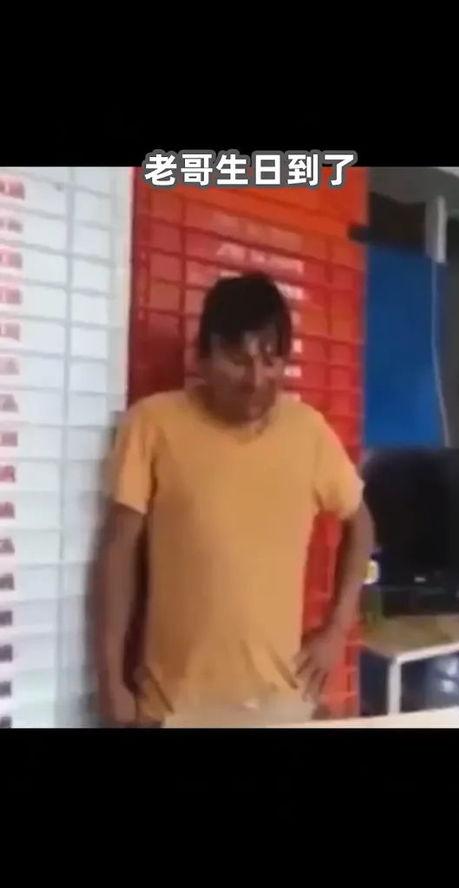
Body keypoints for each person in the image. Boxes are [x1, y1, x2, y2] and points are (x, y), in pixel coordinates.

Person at [95, 272, 373, 727]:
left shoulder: (308, 432)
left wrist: (337, 628)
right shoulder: (152, 424)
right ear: (202, 358)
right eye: (237, 359)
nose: (256, 378)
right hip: (174, 709)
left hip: (281, 707)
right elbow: (118, 552)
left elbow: (361, 524)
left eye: (270, 359)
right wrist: (111, 680)